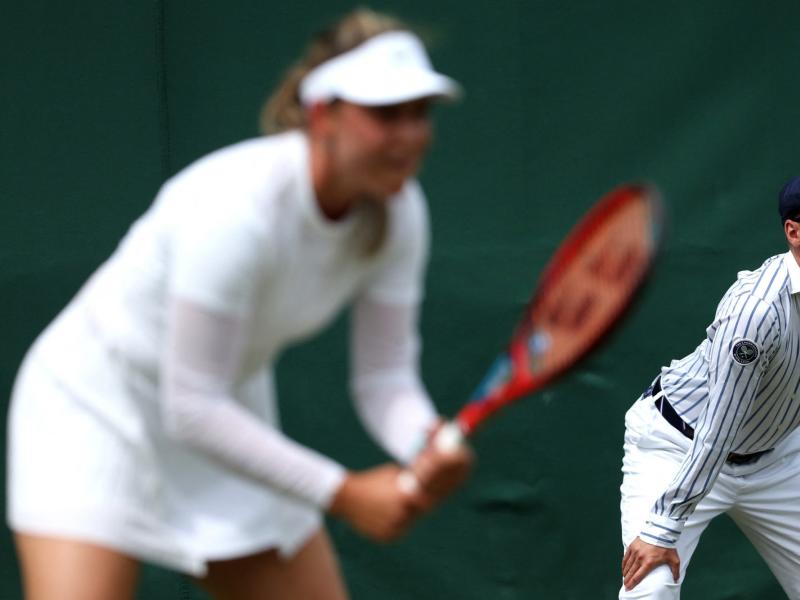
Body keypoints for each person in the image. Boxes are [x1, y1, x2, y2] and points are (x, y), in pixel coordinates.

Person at [6, 8, 472, 600]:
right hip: (93, 413)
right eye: (386, 114)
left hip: (224, 415)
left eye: (420, 114)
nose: (410, 135)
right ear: (323, 114)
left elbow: (384, 379)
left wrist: (421, 442)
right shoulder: (237, 209)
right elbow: (191, 406)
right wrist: (345, 494)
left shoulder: (399, 213)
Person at [619, 168, 800, 599]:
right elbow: (720, 424)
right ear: (794, 232)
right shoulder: (757, 310)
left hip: (774, 459)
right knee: (650, 586)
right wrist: (665, 525)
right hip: (678, 446)